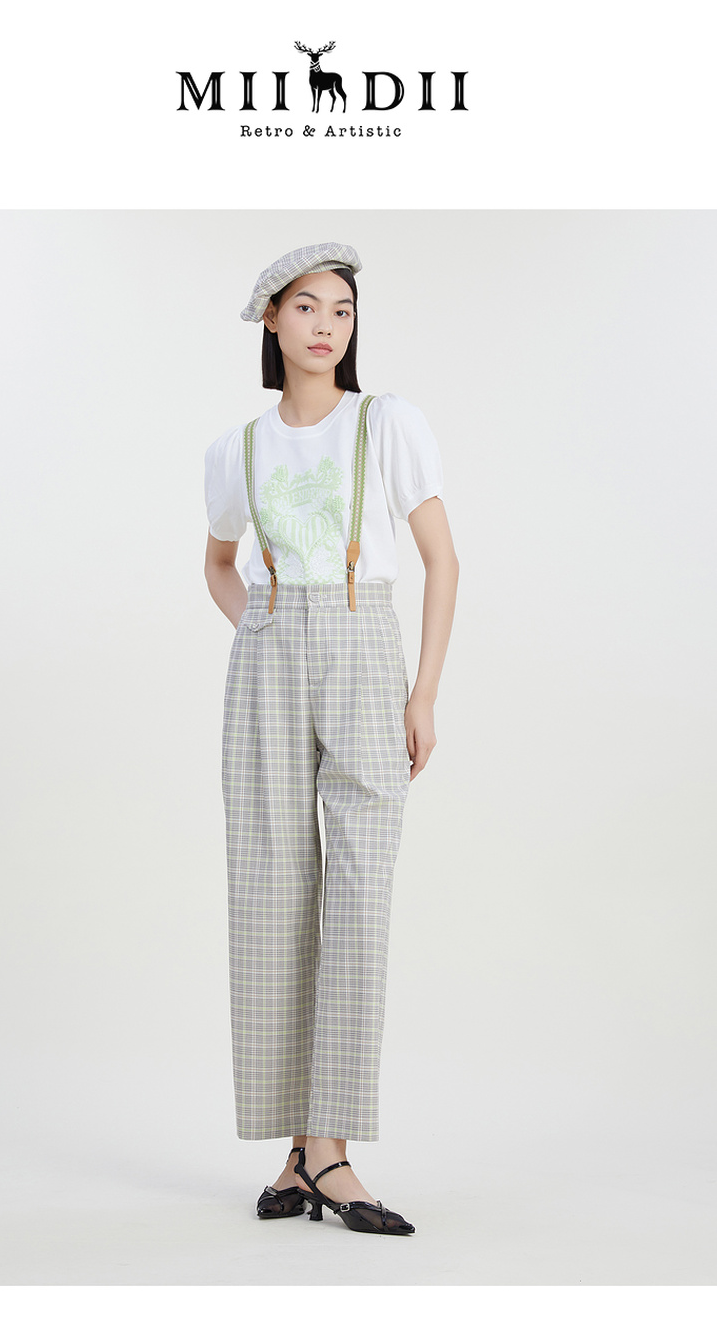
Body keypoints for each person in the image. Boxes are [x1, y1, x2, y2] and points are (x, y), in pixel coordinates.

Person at [204, 242, 459, 1235]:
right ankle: (298, 1153)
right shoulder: (236, 448)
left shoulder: (386, 422)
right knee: (270, 898)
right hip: (269, 659)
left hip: (365, 645)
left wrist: (421, 693)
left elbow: (442, 561)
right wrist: (262, 631)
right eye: (307, 307)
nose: (326, 325)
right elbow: (219, 563)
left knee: (357, 900)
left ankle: (332, 1150)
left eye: (342, 310)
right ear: (271, 319)